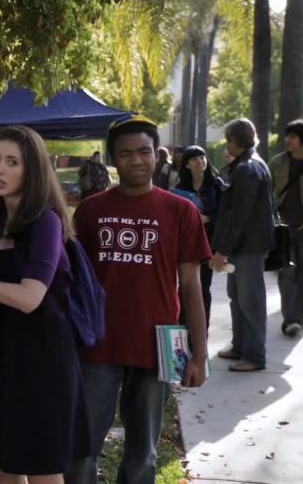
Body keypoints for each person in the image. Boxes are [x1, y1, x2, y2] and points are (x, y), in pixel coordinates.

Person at [66, 114, 210, 484]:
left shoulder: (181, 211)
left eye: (144, 152)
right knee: (81, 448)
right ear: (112, 159)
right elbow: (74, 282)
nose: (136, 160)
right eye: (126, 153)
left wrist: (199, 354)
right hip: (97, 343)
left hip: (159, 345)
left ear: (157, 155)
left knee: (144, 453)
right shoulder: (91, 210)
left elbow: (191, 285)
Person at [0, 126, 91, 484]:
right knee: (4, 465)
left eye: (12, 162)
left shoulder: (46, 222)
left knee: (42, 470)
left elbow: (30, 297)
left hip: (44, 360)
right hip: (5, 355)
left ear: (32, 171)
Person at [211, 118, 275, 372]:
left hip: (248, 246)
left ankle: (254, 356)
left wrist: (223, 250)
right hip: (245, 245)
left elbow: (239, 216)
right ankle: (240, 347)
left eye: (228, 140)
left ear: (235, 141)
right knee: (237, 298)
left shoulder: (247, 168)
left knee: (250, 302)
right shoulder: (251, 164)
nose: (226, 145)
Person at [175, 145, 225, 328]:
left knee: (203, 288)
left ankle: (201, 331)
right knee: (184, 287)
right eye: (195, 159)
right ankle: (183, 330)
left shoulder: (217, 185)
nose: (200, 162)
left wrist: (209, 218)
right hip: (188, 243)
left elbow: (226, 213)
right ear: (187, 165)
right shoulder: (180, 188)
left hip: (209, 243)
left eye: (202, 157)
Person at [269, 119, 303, 337]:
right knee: (286, 272)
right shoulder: (277, 162)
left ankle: (298, 315)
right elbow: (267, 193)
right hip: (284, 227)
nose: (287, 140)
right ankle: (291, 319)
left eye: (292, 136)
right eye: (286, 136)